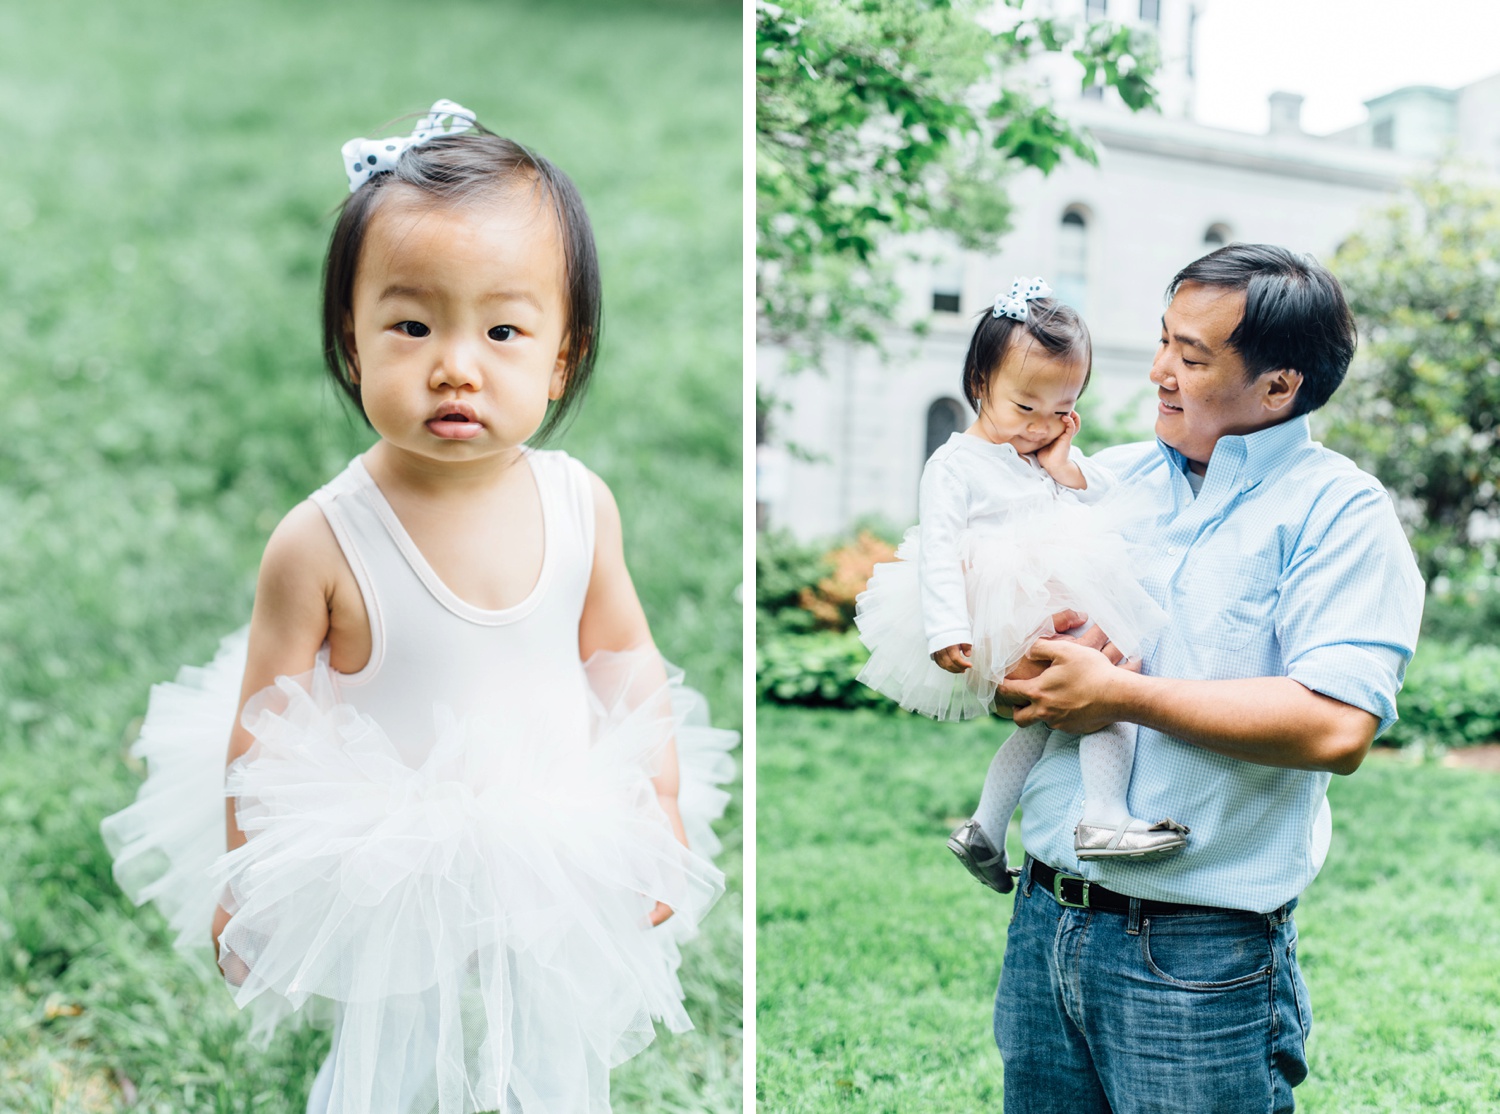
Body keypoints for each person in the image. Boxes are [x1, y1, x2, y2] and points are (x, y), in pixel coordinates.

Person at [99, 101, 735, 1114]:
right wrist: (244, 875)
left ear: (561, 355)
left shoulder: (578, 504)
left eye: (503, 329)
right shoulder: (321, 539)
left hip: (550, 823)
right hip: (385, 845)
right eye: (411, 324)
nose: (456, 362)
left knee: (552, 1043)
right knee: (393, 1048)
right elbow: (264, 718)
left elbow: (621, 652)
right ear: (352, 346)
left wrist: (656, 802)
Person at [991, 244, 1424, 1114]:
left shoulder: (1338, 513)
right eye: (1162, 342)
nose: (1159, 373)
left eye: (1192, 358)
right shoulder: (1103, 480)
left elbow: (1336, 726)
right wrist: (1014, 673)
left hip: (1198, 958)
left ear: (1277, 387)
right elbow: (1009, 644)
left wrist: (1120, 697)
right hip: (1043, 921)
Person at [854, 277, 1189, 887]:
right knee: (1107, 694)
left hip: (1046, 598)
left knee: (1049, 715)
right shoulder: (955, 463)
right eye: (1024, 408)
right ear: (981, 384)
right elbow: (939, 547)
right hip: (1002, 603)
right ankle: (1104, 818)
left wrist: (1062, 465)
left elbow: (1110, 498)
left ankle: (984, 827)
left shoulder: (1038, 455)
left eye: (1060, 411)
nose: (1039, 426)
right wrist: (949, 626)